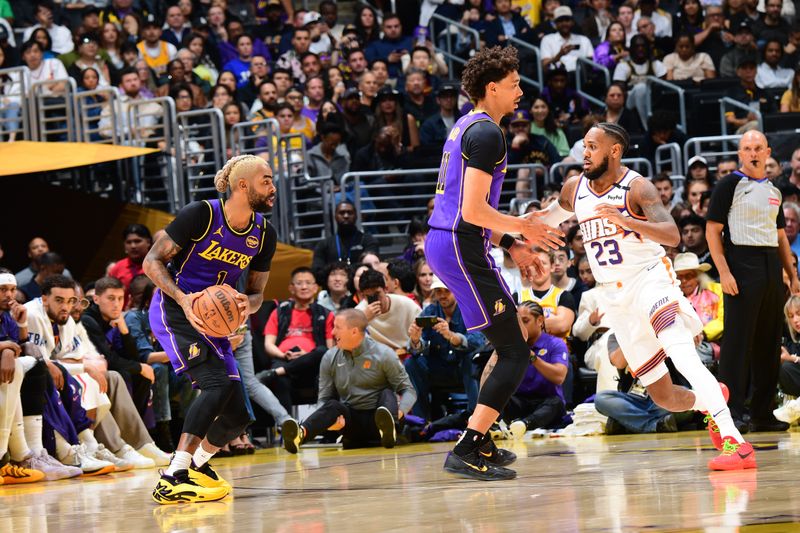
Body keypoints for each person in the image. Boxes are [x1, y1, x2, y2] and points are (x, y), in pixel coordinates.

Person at [537, 122, 753, 470]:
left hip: (650, 281)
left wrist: (629, 222)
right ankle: (710, 399)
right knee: (664, 397)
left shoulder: (637, 188)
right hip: (615, 300)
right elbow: (547, 218)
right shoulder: (575, 188)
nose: (585, 153)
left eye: (593, 147)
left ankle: (735, 442)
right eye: (584, 147)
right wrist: (507, 227)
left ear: (614, 151)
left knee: (682, 354)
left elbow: (671, 235)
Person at [425, 45, 565, 481]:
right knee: (515, 351)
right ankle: (468, 446)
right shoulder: (487, 134)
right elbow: (472, 210)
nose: (521, 91)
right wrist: (524, 227)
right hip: (461, 244)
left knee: (506, 345)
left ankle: (480, 438)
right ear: (492, 88)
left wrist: (513, 245)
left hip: (453, 242)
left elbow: (466, 208)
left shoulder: (465, 126)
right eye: (514, 84)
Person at [144, 155, 277, 504]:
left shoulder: (263, 233)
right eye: (266, 180)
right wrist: (184, 299)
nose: (273, 187)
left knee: (238, 416)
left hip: (216, 320)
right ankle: (174, 474)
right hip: (176, 310)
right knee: (215, 385)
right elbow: (152, 261)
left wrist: (241, 309)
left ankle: (198, 467)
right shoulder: (201, 214)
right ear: (243, 185)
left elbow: (257, 293)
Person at [706, 131, 800, 434]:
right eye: (747, 148)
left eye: (758, 148)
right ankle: (731, 413)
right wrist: (724, 272)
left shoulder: (774, 190)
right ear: (740, 154)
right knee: (736, 345)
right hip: (741, 265)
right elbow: (712, 232)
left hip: (771, 266)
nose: (753, 153)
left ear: (768, 152)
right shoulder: (728, 185)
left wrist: (792, 274)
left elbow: (781, 236)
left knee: (769, 343)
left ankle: (762, 413)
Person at [281, 309, 417, 452]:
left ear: (354, 331)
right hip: (350, 424)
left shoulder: (384, 354)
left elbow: (409, 390)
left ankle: (388, 431)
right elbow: (324, 398)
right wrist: (332, 423)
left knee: (387, 393)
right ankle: (300, 434)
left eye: (337, 327)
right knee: (332, 404)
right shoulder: (329, 357)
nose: (333, 333)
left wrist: (399, 412)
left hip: (381, 419)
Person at [405, 276, 485, 420]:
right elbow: (418, 349)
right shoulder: (430, 311)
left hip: (463, 370)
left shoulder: (469, 310)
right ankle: (420, 422)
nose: (442, 295)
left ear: (455, 291)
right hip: (438, 369)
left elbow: (479, 342)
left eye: (446, 291)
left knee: (470, 358)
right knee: (411, 363)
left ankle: (476, 419)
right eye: (438, 291)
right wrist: (415, 341)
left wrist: (452, 337)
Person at [260, 267, 334, 412]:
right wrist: (283, 355)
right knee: (279, 379)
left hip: (313, 364)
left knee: (322, 351)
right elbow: (268, 344)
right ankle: (287, 427)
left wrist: (307, 356)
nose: (304, 286)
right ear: (291, 288)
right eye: (299, 283)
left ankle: (323, 426)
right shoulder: (280, 311)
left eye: (308, 283)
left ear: (315, 288)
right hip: (284, 359)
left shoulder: (326, 314)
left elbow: (330, 350)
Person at [502, 301, 568, 437]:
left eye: (525, 321)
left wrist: (532, 357)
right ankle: (501, 425)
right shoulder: (511, 346)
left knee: (556, 403)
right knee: (501, 396)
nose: (520, 327)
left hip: (547, 401)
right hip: (520, 402)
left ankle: (524, 424)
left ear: (539, 321)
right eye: (517, 322)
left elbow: (559, 377)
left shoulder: (556, 343)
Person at [355, 269, 421, 354]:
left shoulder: (407, 304)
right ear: (363, 296)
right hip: (377, 359)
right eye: (369, 296)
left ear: (386, 289)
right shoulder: (359, 312)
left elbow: (423, 337)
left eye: (377, 294)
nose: (375, 300)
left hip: (406, 353)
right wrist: (363, 320)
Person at [311, 202, 379, 273]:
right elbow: (317, 270)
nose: (346, 216)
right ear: (335, 216)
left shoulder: (368, 241)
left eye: (350, 213)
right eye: (342, 213)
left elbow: (372, 268)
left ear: (356, 216)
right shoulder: (324, 244)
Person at [540, 6, 593, 72]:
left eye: (567, 20)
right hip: (557, 77)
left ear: (573, 22)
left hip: (580, 76)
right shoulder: (547, 39)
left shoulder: (584, 40)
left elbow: (591, 63)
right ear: (555, 24)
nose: (564, 23)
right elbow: (544, 66)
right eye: (560, 21)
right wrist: (559, 56)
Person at [108, 224, 152, 298]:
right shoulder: (117, 268)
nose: (133, 246)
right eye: (129, 242)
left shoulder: (157, 265)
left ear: (148, 242)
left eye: (137, 241)